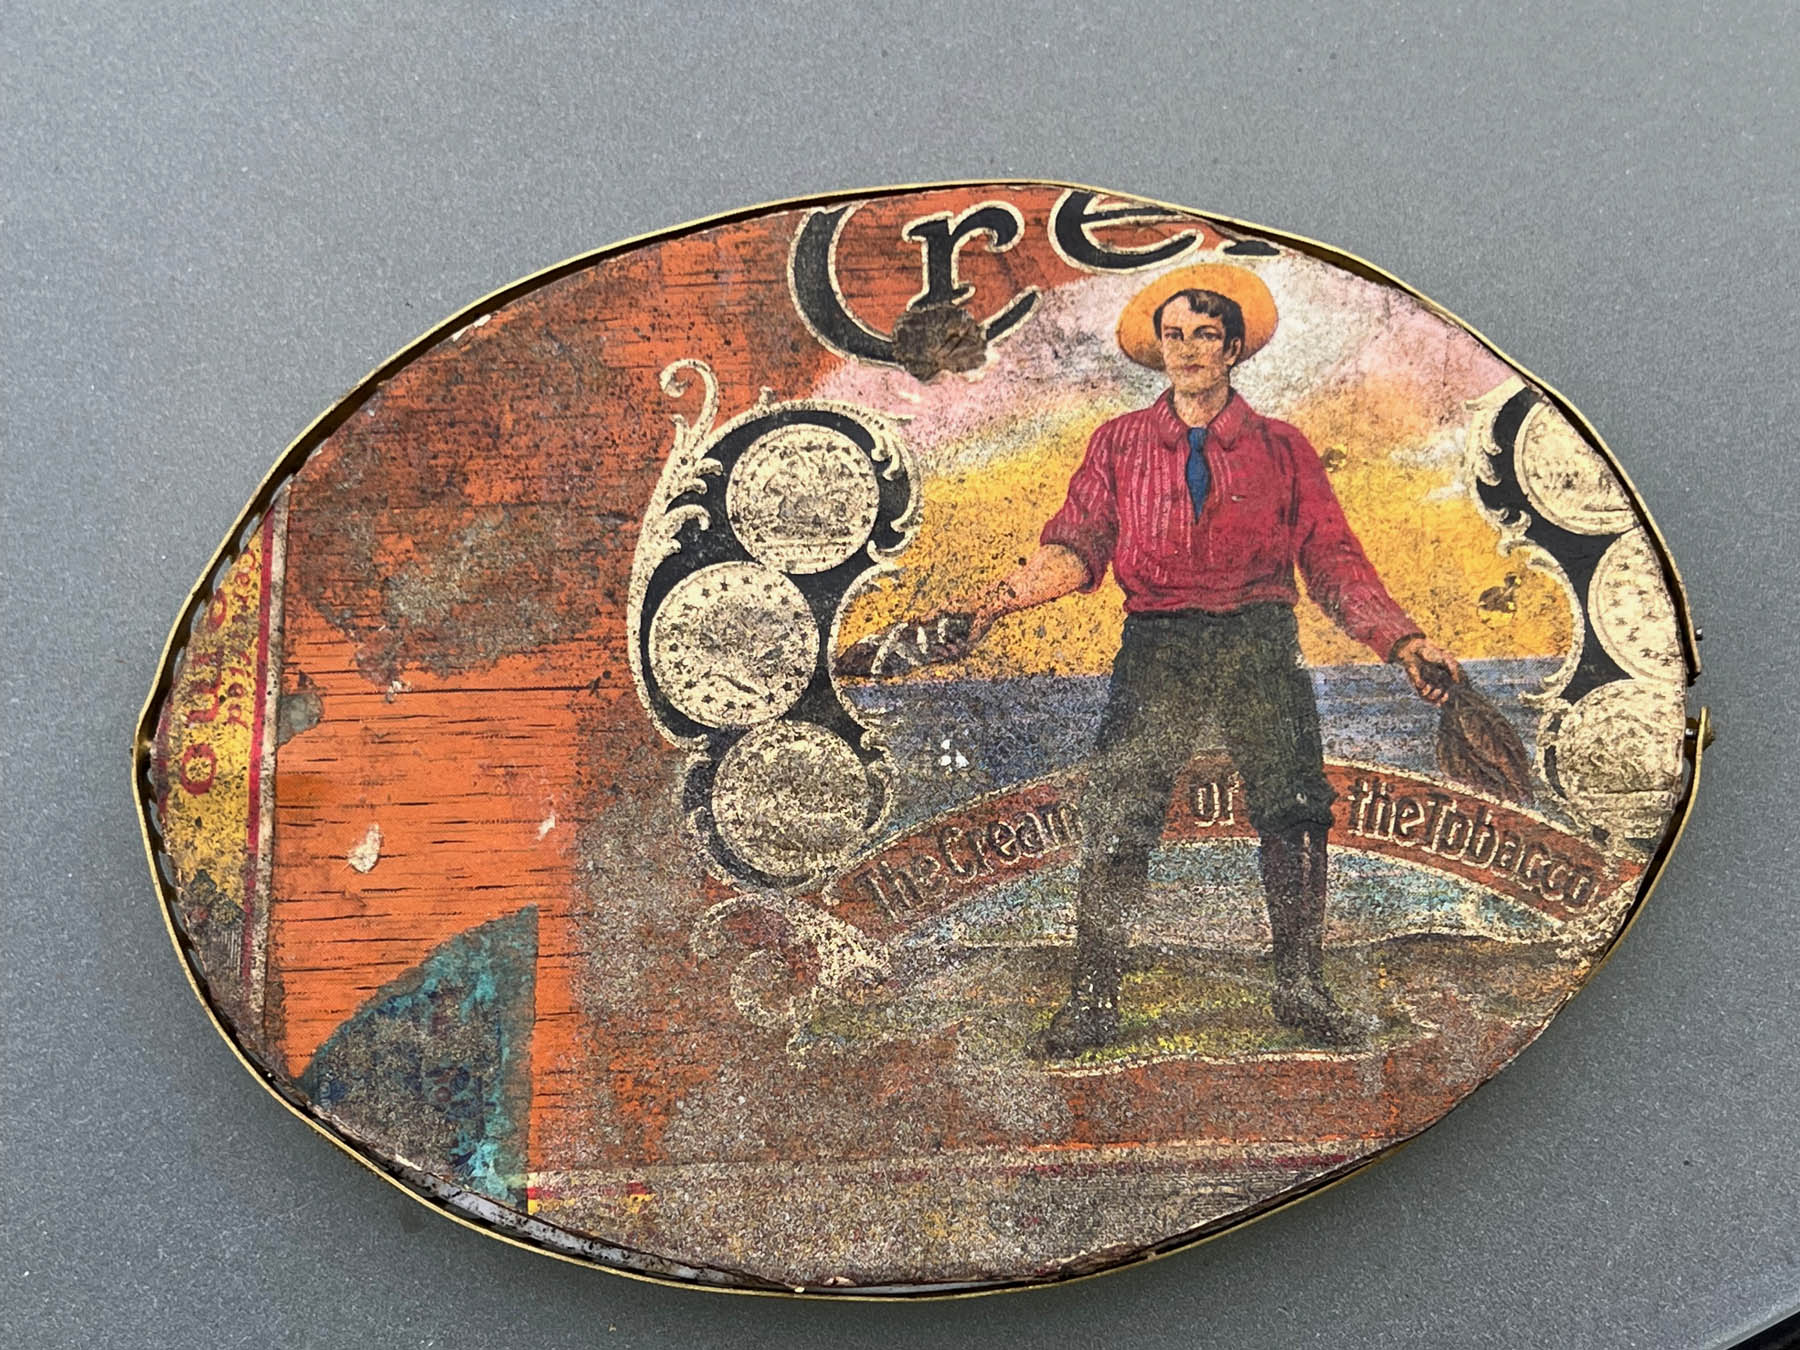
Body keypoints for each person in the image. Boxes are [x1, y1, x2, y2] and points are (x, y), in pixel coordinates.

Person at [933, 263, 1460, 1054]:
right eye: (1173, 336)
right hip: (1159, 645)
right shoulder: (1118, 443)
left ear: (1233, 349)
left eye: (1204, 336)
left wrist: (1403, 640)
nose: (1186, 350)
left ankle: (1301, 990)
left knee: (1295, 809)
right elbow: (1075, 548)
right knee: (1118, 812)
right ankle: (1094, 1000)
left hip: (1260, 643)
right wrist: (992, 607)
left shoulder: (1283, 449)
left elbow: (1333, 561)